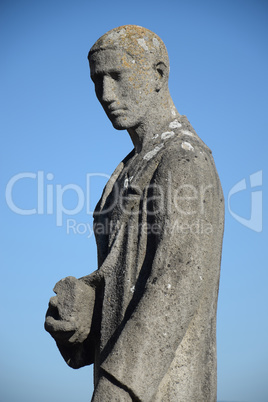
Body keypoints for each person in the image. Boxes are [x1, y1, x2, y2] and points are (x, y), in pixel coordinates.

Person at [45, 25, 224, 401]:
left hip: (156, 388)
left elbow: (178, 284)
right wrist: (85, 314)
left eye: (117, 75)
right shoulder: (125, 172)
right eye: (97, 80)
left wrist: (120, 383)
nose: (106, 94)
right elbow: (126, 279)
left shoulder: (183, 158)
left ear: (158, 75)